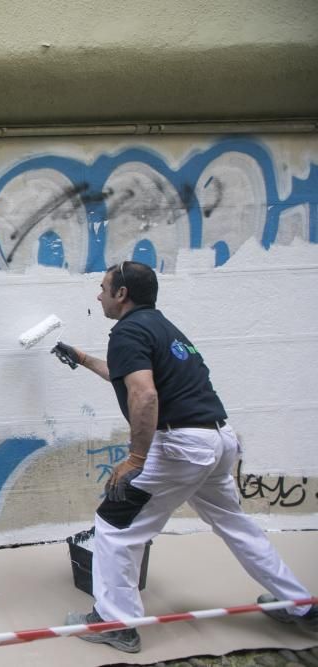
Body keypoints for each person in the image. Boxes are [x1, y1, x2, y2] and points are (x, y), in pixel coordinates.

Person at [53, 260, 317, 653]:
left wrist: (136, 458)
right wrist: (84, 358)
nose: (99, 294)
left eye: (104, 287)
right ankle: (301, 607)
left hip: (180, 446)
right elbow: (132, 376)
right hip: (217, 439)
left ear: (122, 294)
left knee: (115, 526)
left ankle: (116, 623)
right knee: (236, 525)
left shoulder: (127, 331)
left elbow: (144, 394)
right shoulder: (162, 327)